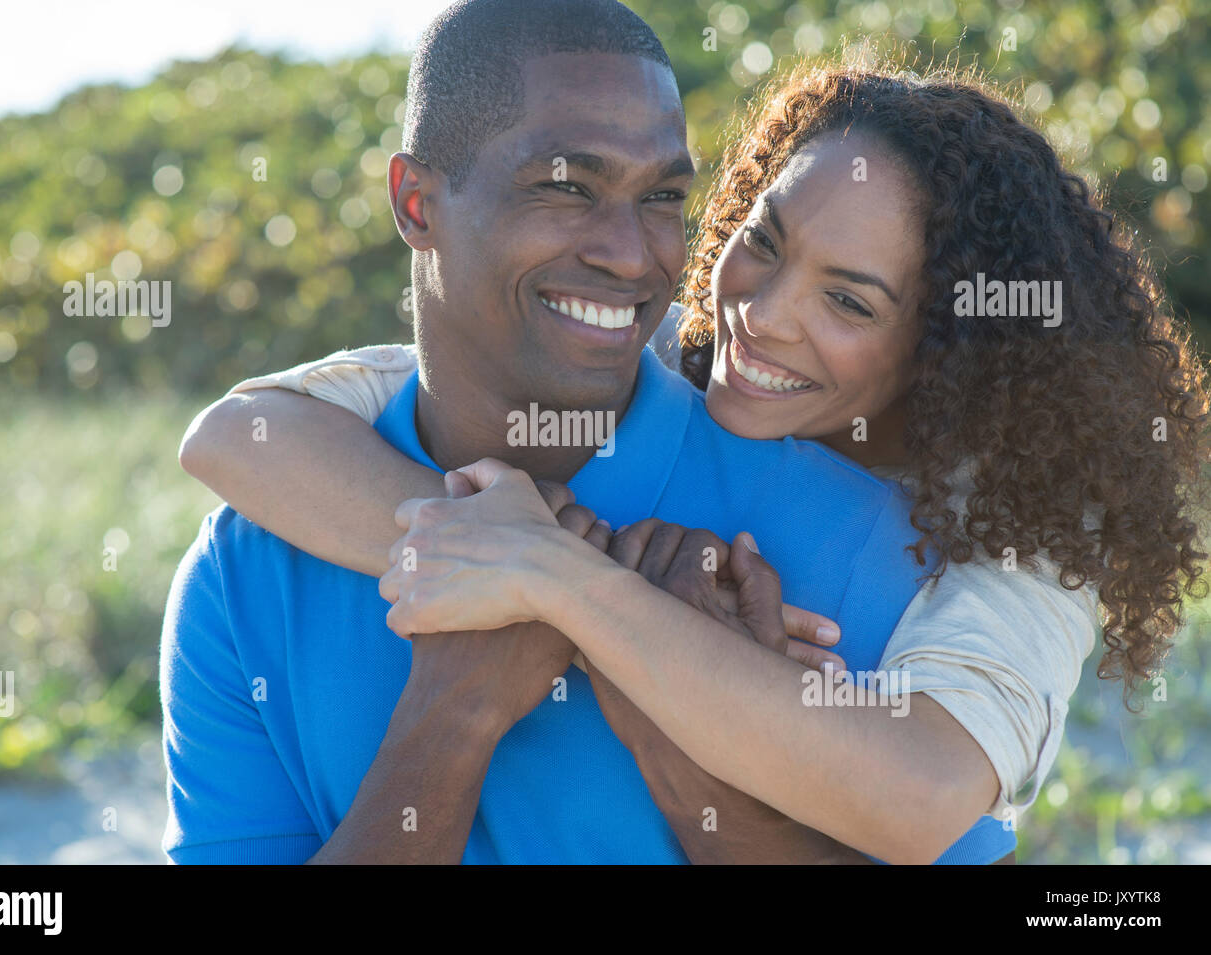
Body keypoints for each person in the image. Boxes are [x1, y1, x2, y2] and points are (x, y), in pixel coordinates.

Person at [179, 48, 1211, 861]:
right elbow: (239, 436)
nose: (759, 316)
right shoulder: (677, 348)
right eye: (761, 241)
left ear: (949, 346)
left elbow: (918, 798)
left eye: (848, 301)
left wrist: (565, 583)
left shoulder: (1013, 539)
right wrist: (521, 566)